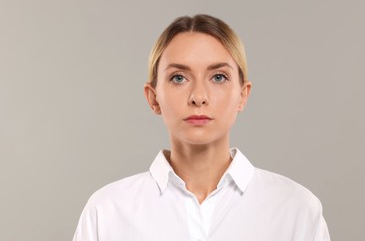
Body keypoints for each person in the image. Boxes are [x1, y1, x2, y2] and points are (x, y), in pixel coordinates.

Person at [73, 14, 330, 240]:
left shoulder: (296, 209)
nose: (198, 96)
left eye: (218, 77)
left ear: (243, 94)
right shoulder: (107, 211)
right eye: (179, 78)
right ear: (153, 98)